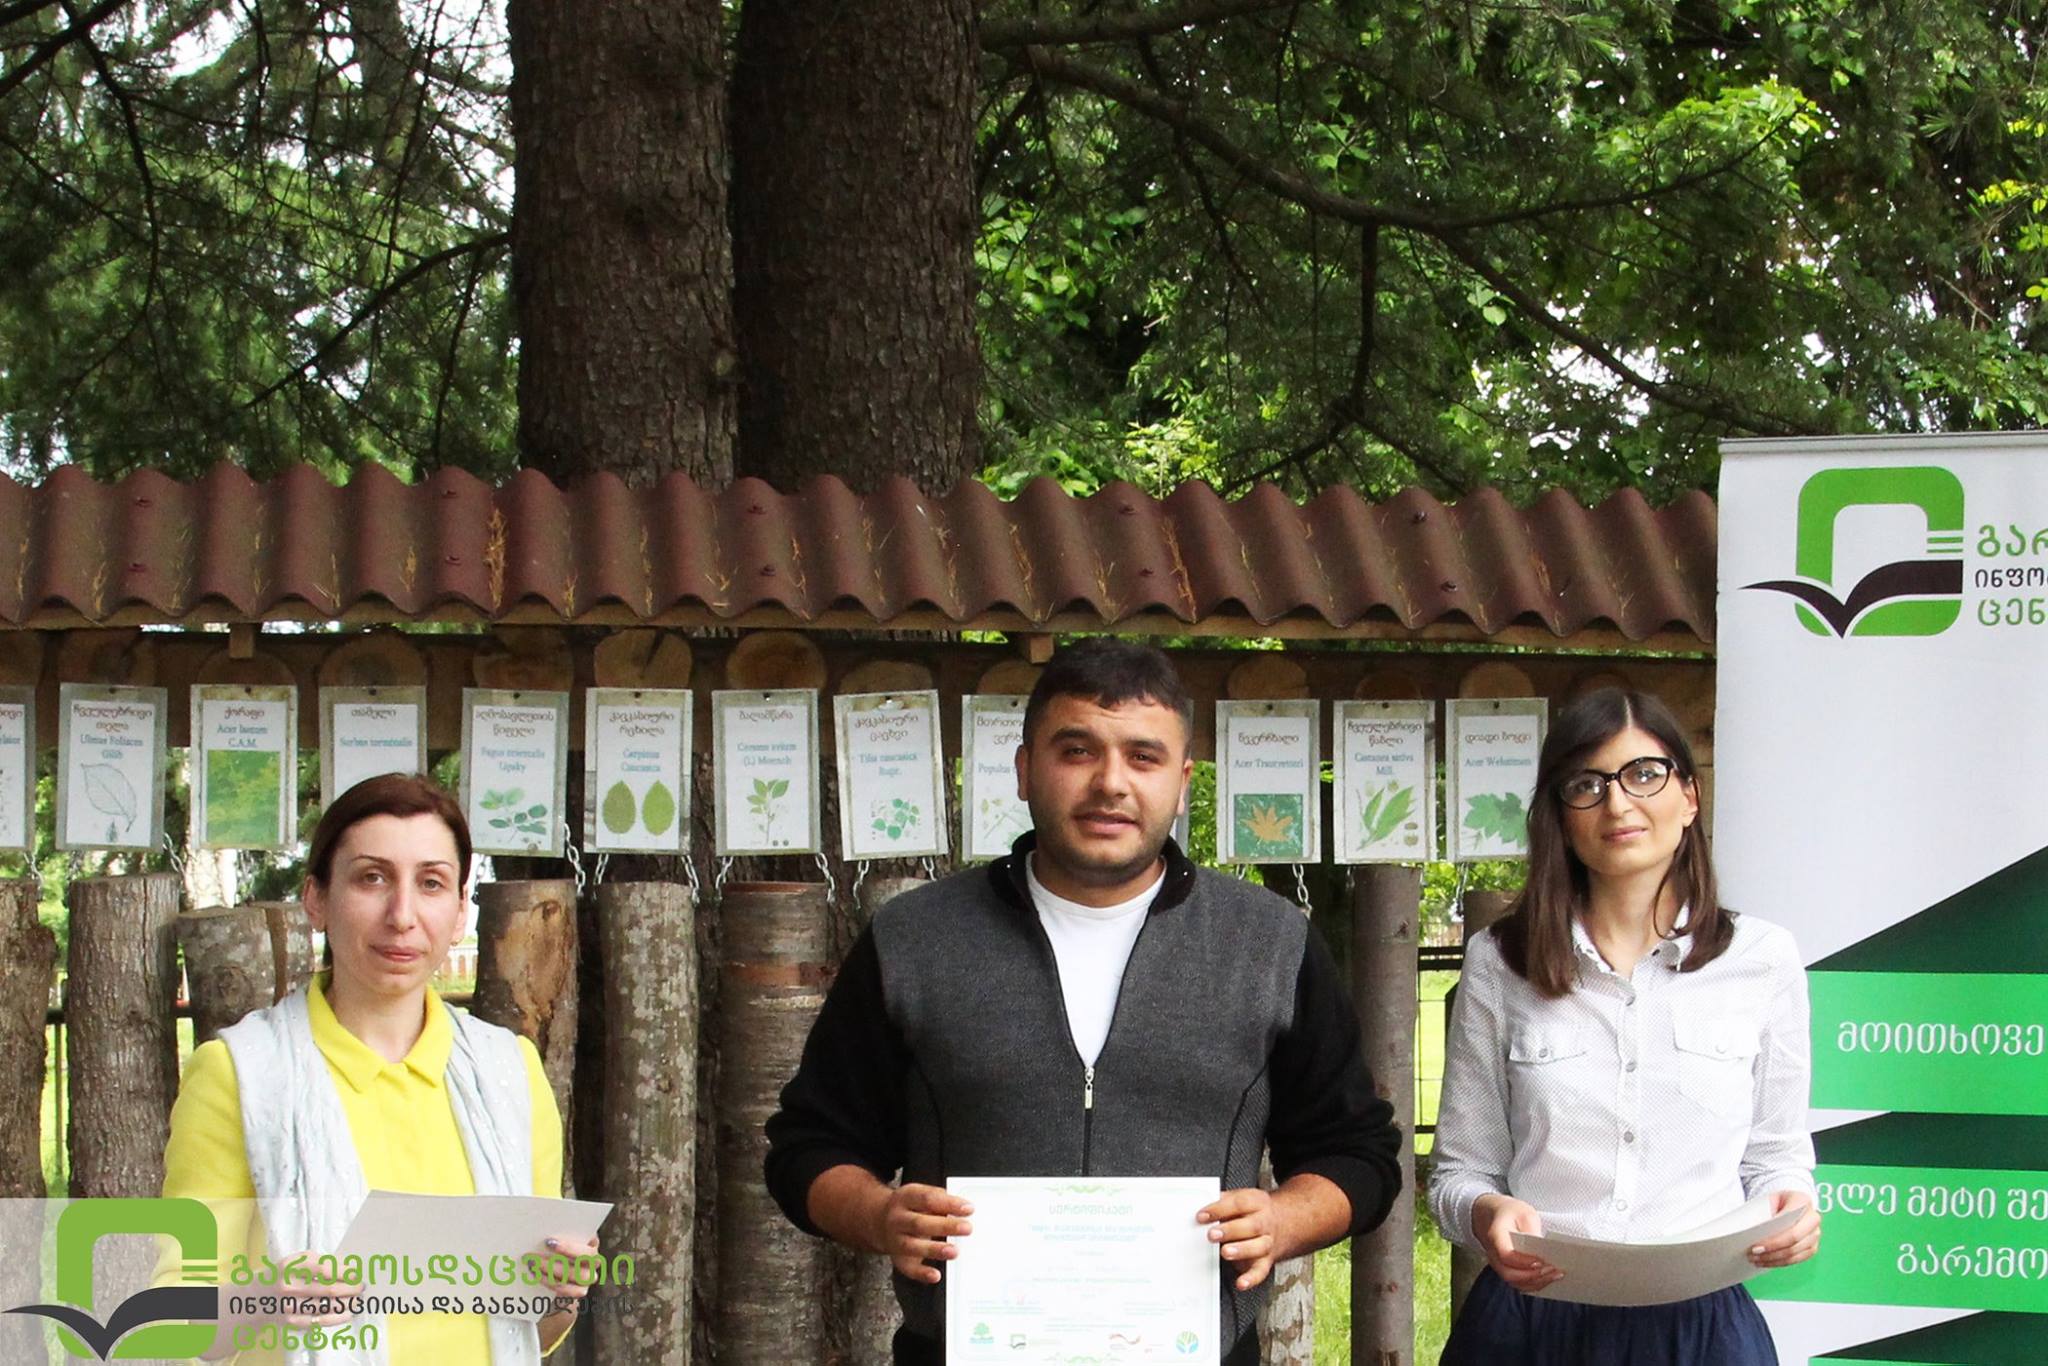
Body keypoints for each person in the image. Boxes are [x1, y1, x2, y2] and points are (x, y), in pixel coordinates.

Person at [764, 638, 1403, 1365]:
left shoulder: (1269, 943)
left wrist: (1284, 1220)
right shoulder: (914, 939)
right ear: (1024, 769)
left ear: (1182, 783)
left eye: (1143, 756)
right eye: (1077, 751)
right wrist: (880, 1216)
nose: (1110, 783)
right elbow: (809, 1146)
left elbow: (1358, 1154)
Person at [1429, 687, 1820, 1365]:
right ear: (1560, 815)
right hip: (1533, 1324)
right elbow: (1459, 1175)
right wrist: (1486, 1214)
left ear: (1689, 797)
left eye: (1644, 774)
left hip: (1702, 1329)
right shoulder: (1500, 962)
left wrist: (1795, 1209)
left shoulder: (1763, 958)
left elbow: (1777, 1160)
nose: (1617, 804)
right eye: (1587, 784)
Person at [161, 773, 595, 1363]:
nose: (402, 915)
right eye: (372, 877)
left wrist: (561, 1292)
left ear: (460, 910)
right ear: (316, 898)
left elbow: (531, 1331)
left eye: (431, 883)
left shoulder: (509, 1072)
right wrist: (264, 1300)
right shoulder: (239, 1074)